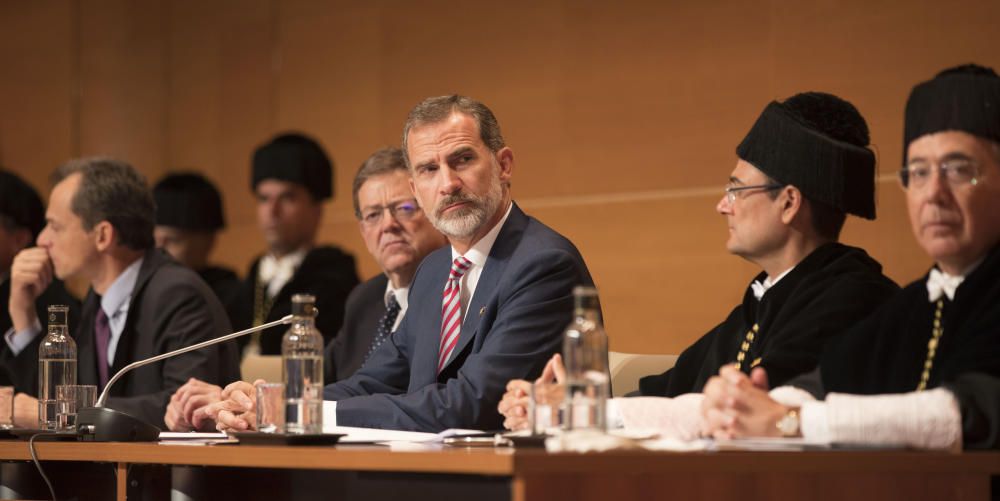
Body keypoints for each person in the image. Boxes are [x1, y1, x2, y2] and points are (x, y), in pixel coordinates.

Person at [499, 92, 899, 435]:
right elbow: (667, 390)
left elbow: (753, 408)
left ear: (790, 202)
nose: (722, 205)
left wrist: (587, 413)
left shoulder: (854, 299)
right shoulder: (762, 300)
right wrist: (564, 404)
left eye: (737, 190)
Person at [206, 95, 596, 432]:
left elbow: (470, 404)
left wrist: (296, 412)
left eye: (462, 160)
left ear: (504, 165)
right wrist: (272, 402)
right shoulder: (435, 270)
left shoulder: (543, 265)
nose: (447, 184)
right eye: (429, 169)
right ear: (416, 188)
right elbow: (375, 380)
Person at [701, 64, 1000, 451]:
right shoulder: (917, 303)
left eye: (959, 170)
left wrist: (790, 421)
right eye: (919, 173)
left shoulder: (857, 292)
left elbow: (973, 410)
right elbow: (824, 382)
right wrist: (754, 405)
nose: (933, 194)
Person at [164, 148, 446, 432]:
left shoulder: (455, 295)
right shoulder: (365, 300)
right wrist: (238, 401)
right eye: (373, 215)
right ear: (362, 230)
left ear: (434, 213)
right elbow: (322, 387)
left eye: (405, 208)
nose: (388, 225)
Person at [3, 158, 239, 428]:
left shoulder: (178, 295)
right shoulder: (98, 300)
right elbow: (49, 405)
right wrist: (22, 315)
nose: (42, 240)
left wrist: (63, 412)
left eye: (55, 227)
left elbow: (186, 409)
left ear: (103, 235)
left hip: (171, 469)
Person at [238, 132, 359, 355]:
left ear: (317, 209)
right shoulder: (246, 284)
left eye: (287, 198)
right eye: (264, 199)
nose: (272, 211)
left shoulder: (334, 282)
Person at [0, 169, 79, 395]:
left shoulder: (52, 303)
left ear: (19, 239)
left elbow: (50, 398)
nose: (45, 239)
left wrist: (22, 311)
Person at [153, 172, 242, 330]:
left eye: (172, 240)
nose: (158, 251)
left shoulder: (232, 298)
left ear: (208, 239)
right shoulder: (143, 292)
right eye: (153, 240)